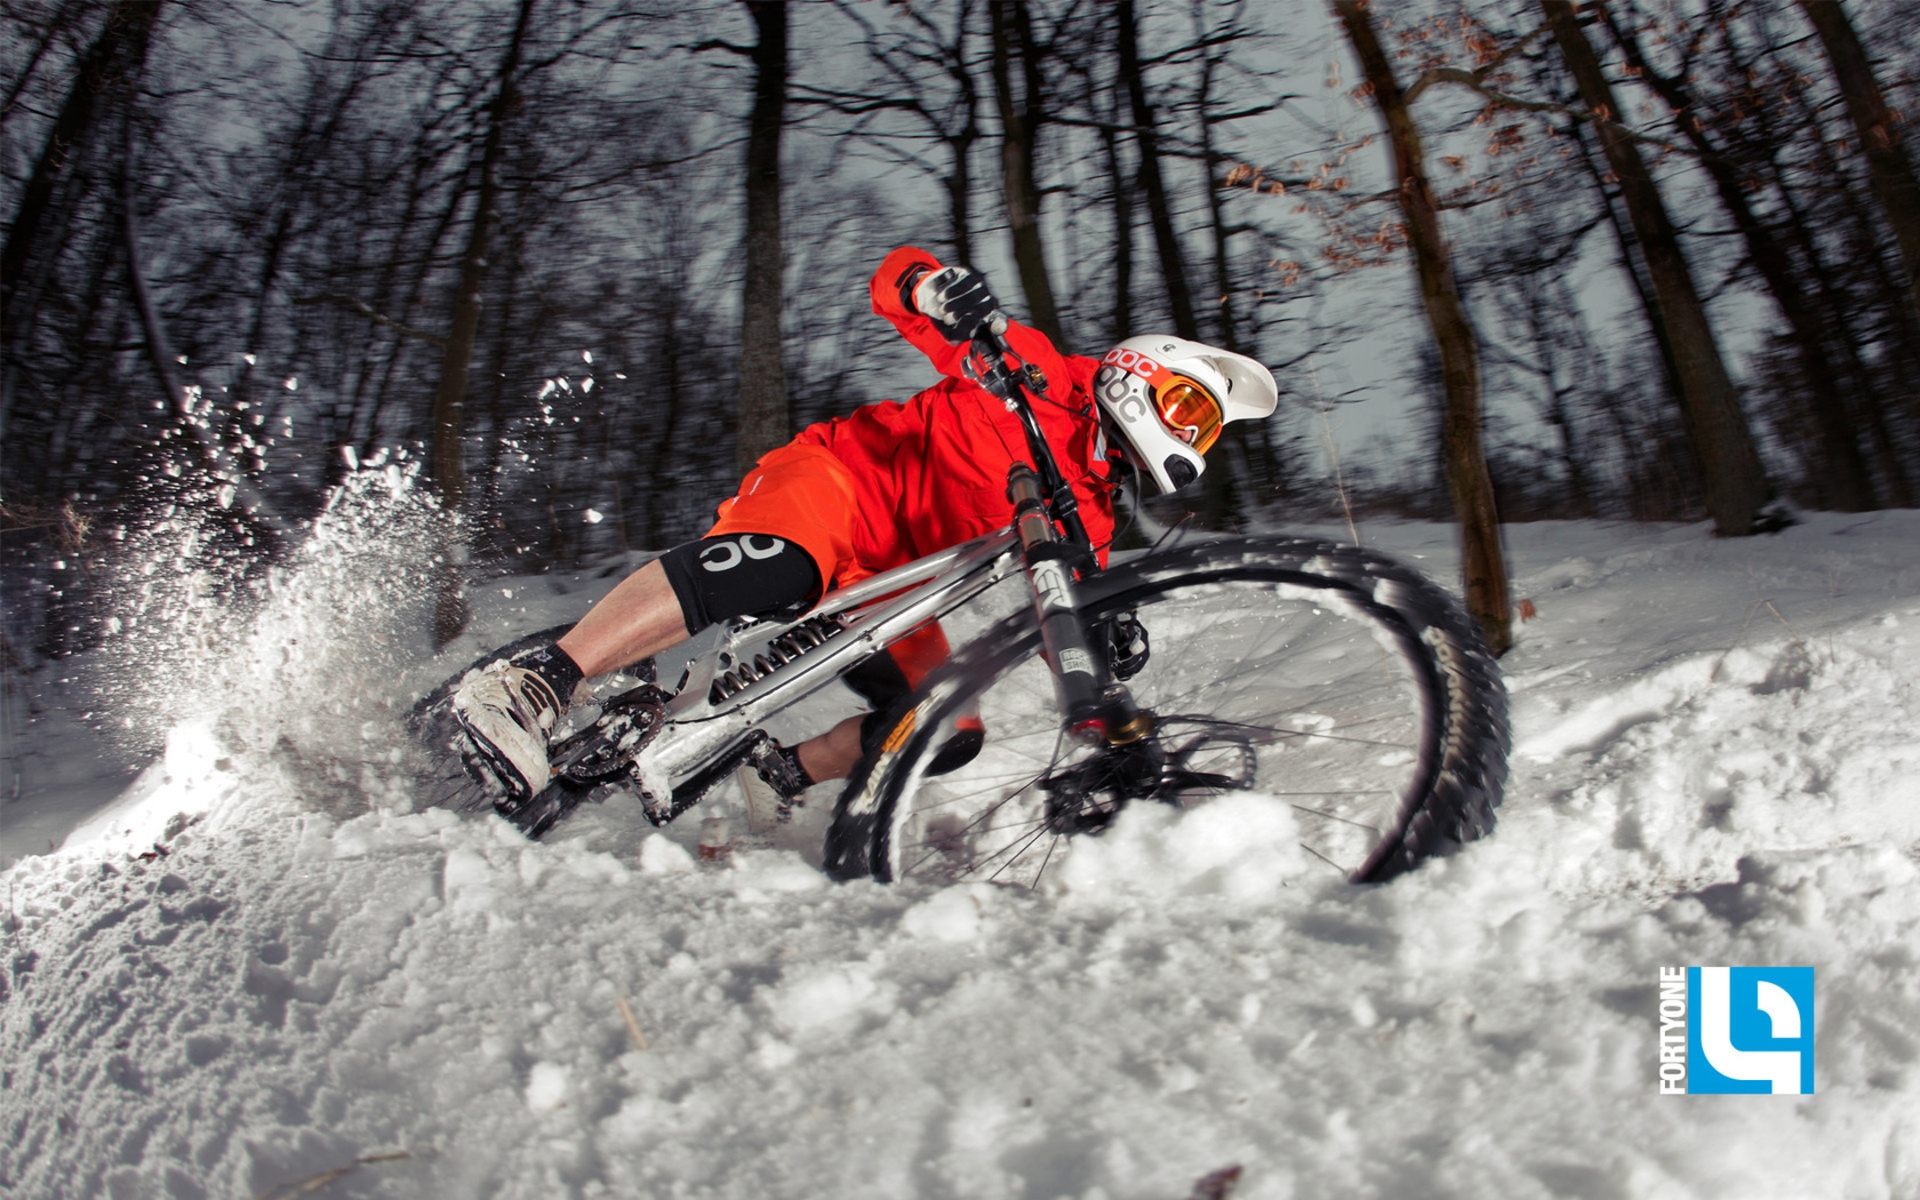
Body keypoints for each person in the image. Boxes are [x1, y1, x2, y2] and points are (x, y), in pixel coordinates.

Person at [452, 245, 1278, 821]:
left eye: (1204, 430)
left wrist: (1110, 627)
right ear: (1143, 367)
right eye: (1189, 406)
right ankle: (536, 683)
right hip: (837, 491)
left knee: (949, 731)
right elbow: (893, 284)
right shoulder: (1027, 370)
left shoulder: (1089, 510)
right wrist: (932, 290)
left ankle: (778, 776)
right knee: (783, 562)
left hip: (891, 593)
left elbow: (1067, 602)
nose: (1190, 434)